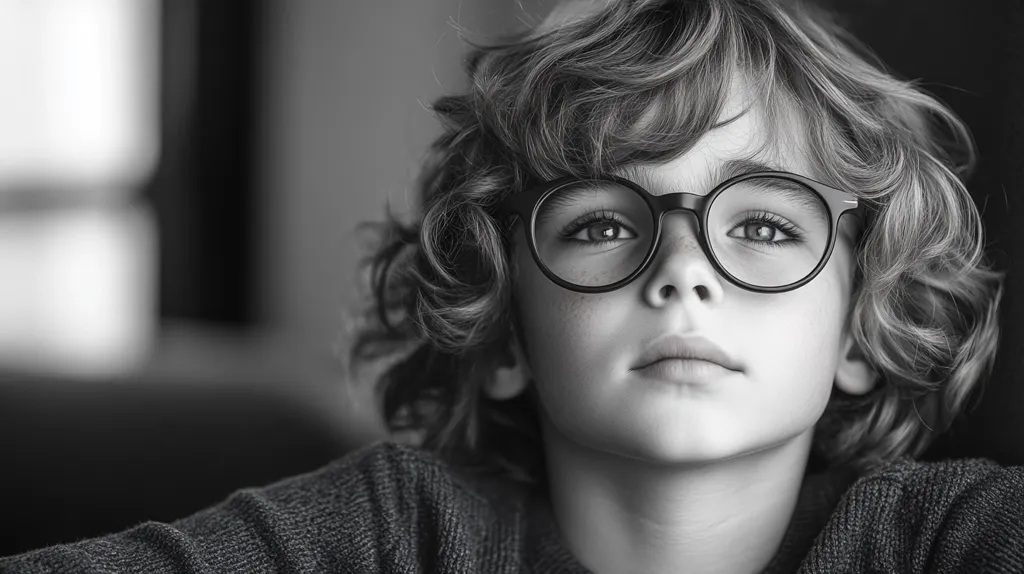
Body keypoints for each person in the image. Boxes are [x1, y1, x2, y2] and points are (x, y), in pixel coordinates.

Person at [3, 0, 1022, 572]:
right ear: (502, 331)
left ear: (858, 328)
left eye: (763, 226)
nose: (682, 272)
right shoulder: (395, 533)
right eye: (600, 225)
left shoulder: (948, 539)